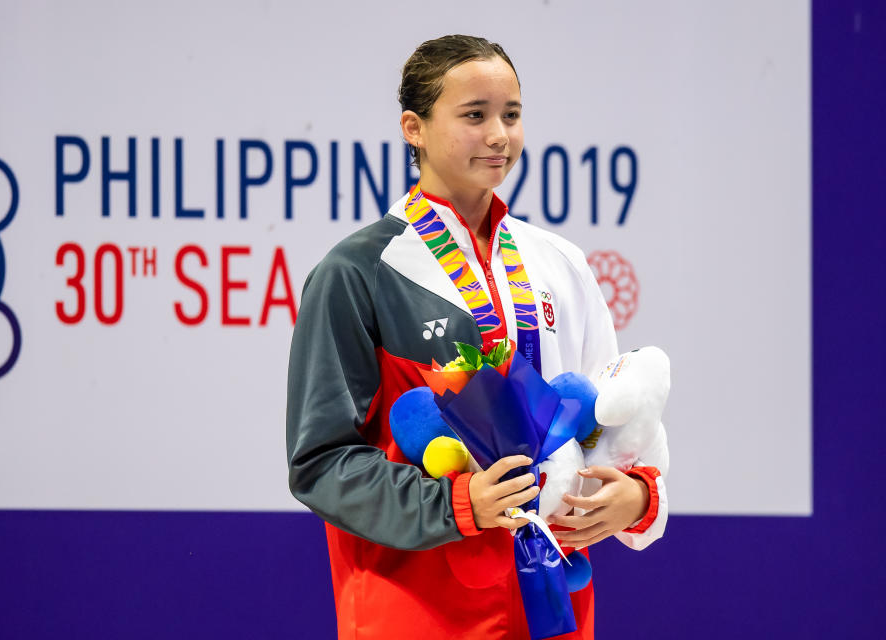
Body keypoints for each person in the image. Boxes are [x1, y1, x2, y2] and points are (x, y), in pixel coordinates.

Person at [286, 34, 668, 640]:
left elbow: (611, 419)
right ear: (414, 128)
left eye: (511, 115)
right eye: (474, 115)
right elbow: (321, 463)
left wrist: (639, 497)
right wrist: (460, 505)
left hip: (552, 605)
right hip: (416, 611)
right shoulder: (357, 273)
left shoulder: (559, 261)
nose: (499, 135)